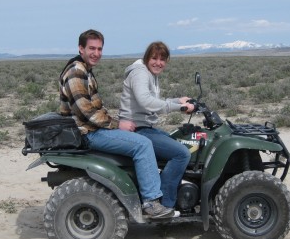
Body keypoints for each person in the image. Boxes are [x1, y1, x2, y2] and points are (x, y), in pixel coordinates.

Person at [59, 29, 174, 219]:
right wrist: (117, 124)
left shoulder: (84, 70)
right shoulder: (76, 72)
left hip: (92, 129)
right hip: (88, 133)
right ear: (81, 48)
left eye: (99, 49)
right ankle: (151, 202)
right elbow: (86, 111)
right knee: (143, 144)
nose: (96, 53)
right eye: (92, 48)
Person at [118, 41, 194, 210]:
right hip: (137, 129)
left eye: (162, 59)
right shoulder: (140, 73)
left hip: (145, 127)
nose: (158, 62)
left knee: (179, 141)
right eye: (154, 58)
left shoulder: (150, 74)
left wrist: (178, 100)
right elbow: (146, 102)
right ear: (147, 58)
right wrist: (179, 107)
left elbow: (155, 102)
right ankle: (166, 204)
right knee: (182, 154)